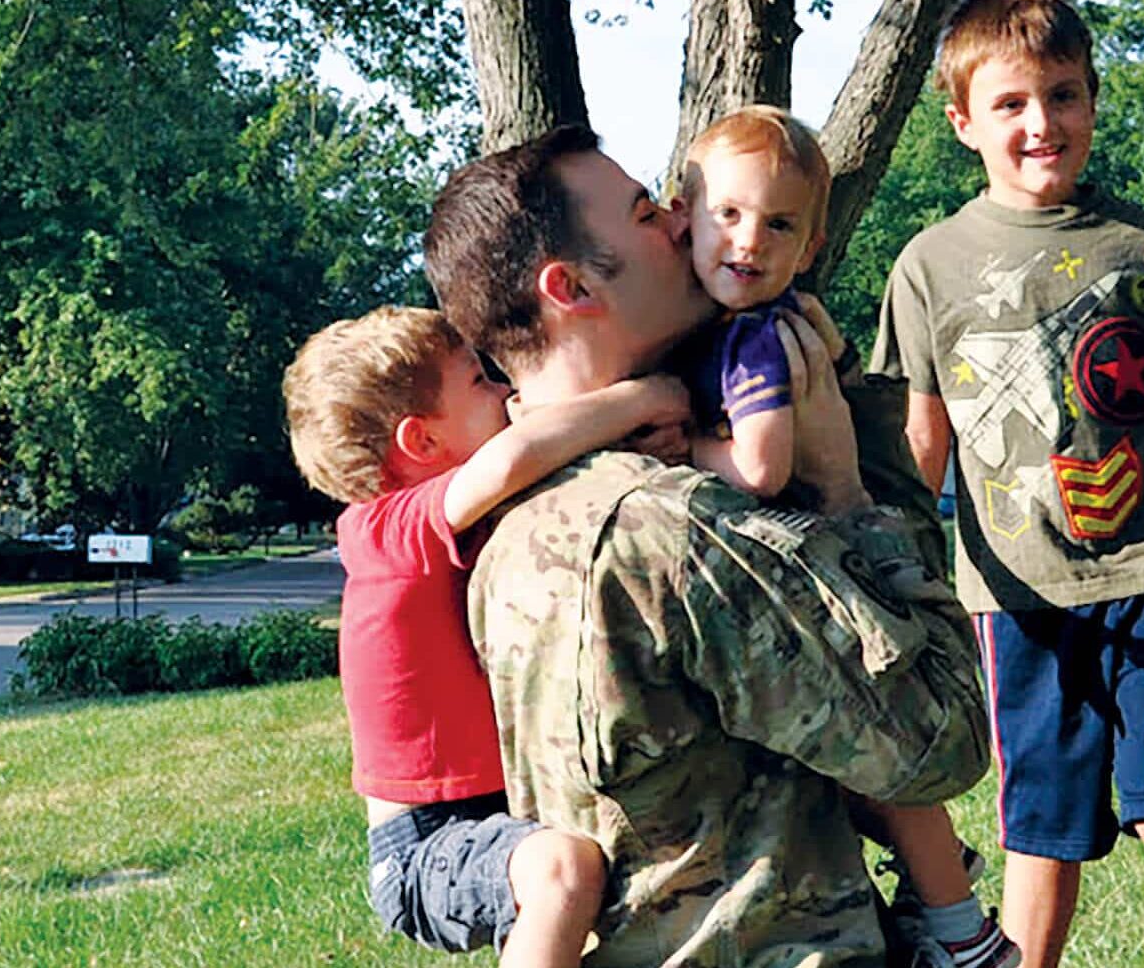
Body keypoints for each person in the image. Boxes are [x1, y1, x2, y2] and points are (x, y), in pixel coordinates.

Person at [421, 124, 991, 967]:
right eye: (649, 212)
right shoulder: (676, 528)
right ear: (570, 286)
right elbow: (939, 738)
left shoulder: (509, 513)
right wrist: (846, 486)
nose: (686, 222)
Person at [869, 0, 1144, 968]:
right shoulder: (927, 265)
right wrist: (894, 585)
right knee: (1038, 833)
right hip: (1016, 601)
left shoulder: (1142, 245)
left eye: (1063, 94)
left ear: (1089, 100)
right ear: (961, 121)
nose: (1040, 122)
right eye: (1009, 103)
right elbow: (922, 443)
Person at [675, 104, 1019, 968]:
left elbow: (756, 467)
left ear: (810, 245)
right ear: (681, 211)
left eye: (778, 224)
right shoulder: (732, 326)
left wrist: (678, 448)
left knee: (873, 742)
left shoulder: (755, 337)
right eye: (726, 214)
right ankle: (940, 890)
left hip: (834, 554)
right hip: (815, 556)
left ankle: (958, 925)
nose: (747, 240)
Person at [283, 305, 690, 966]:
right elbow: (514, 458)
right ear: (420, 442)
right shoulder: (383, 529)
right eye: (479, 381)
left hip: (499, 803)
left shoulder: (457, 517)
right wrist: (644, 397)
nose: (505, 390)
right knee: (563, 871)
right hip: (422, 843)